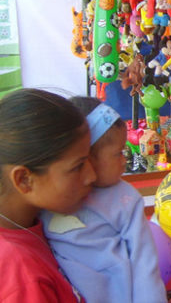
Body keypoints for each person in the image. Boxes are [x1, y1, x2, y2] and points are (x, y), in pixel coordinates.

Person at [40, 97, 168, 303]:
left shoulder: (125, 199)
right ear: (85, 156)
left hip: (117, 293)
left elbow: (143, 261)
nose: (124, 161)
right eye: (118, 153)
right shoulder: (54, 195)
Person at [0, 88, 95, 302]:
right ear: (24, 179)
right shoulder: (23, 276)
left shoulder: (35, 221)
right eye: (78, 166)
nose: (92, 176)